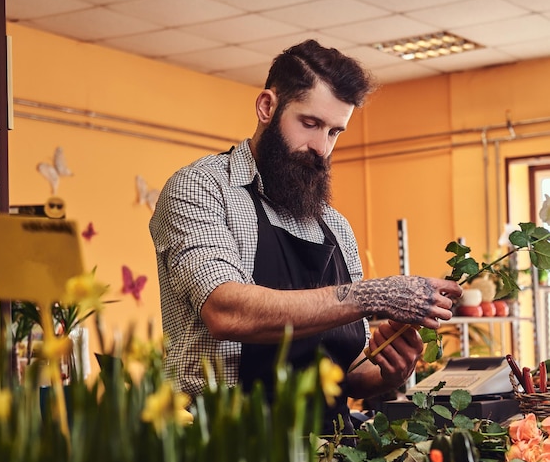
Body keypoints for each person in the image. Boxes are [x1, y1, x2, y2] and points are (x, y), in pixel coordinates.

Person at [149, 39, 461, 435]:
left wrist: (387, 372)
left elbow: (346, 372)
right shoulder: (202, 189)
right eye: (310, 124)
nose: (321, 148)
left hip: (329, 454)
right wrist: (373, 295)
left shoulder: (335, 226)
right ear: (267, 107)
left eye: (334, 132)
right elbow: (226, 310)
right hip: (228, 450)